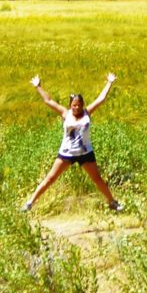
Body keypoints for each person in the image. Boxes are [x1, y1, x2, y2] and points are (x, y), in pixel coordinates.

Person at [22, 71, 122, 213]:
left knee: (97, 179)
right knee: (50, 178)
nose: (77, 107)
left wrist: (110, 82)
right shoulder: (65, 113)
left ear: (82, 105)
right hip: (67, 153)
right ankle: (30, 203)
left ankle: (112, 202)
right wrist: (38, 86)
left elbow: (101, 99)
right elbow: (49, 101)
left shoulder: (87, 113)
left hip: (85, 152)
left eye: (79, 105)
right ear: (70, 105)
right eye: (74, 105)